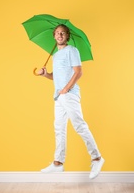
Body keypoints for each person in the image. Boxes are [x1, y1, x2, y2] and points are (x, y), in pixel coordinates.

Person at [37, 24, 104, 179]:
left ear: (67, 36)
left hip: (70, 94)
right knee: (59, 128)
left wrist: (66, 88)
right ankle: (58, 163)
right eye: (57, 33)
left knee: (79, 125)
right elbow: (56, 77)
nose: (60, 35)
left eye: (63, 33)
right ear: (54, 36)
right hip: (58, 96)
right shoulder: (55, 55)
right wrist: (45, 74)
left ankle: (97, 158)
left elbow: (78, 71)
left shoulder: (72, 50)